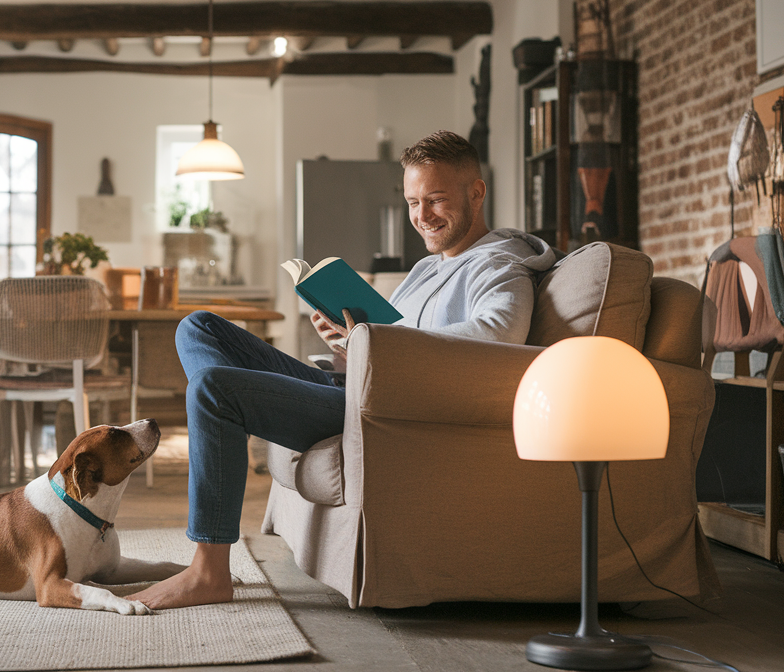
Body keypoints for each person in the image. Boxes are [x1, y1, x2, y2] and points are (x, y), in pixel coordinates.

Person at [128, 130, 556, 610]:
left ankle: (209, 571)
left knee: (213, 390)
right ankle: (229, 432)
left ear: (476, 193)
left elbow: (499, 339)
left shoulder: (503, 266)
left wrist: (374, 344)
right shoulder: (425, 270)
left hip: (386, 409)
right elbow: (390, 344)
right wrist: (349, 342)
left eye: (436, 200)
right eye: (414, 202)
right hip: (354, 385)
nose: (422, 216)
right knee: (198, 327)